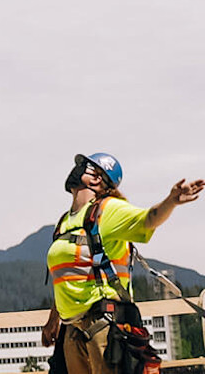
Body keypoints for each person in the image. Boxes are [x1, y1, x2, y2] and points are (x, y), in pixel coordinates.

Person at [40, 152, 204, 374]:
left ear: (97, 178)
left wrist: (171, 202)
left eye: (83, 166)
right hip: (73, 329)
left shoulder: (108, 209)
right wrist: (54, 319)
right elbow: (66, 277)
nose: (76, 169)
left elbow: (149, 219)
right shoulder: (65, 222)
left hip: (103, 325)